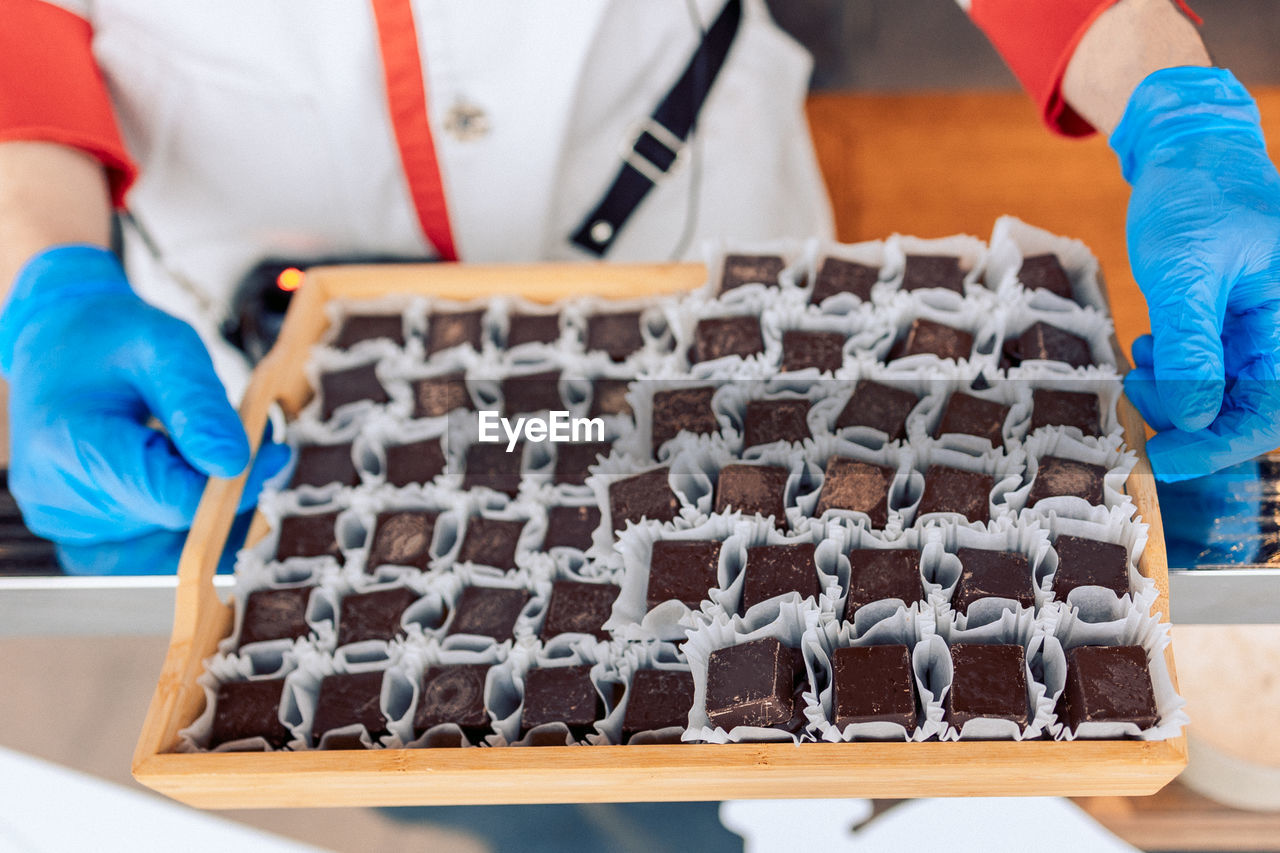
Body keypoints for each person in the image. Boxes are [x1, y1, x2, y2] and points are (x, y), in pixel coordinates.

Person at [0, 0, 1276, 578]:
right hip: (271, 337)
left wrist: (1161, 85)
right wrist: (42, 269)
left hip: (703, 255)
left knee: (795, 610)